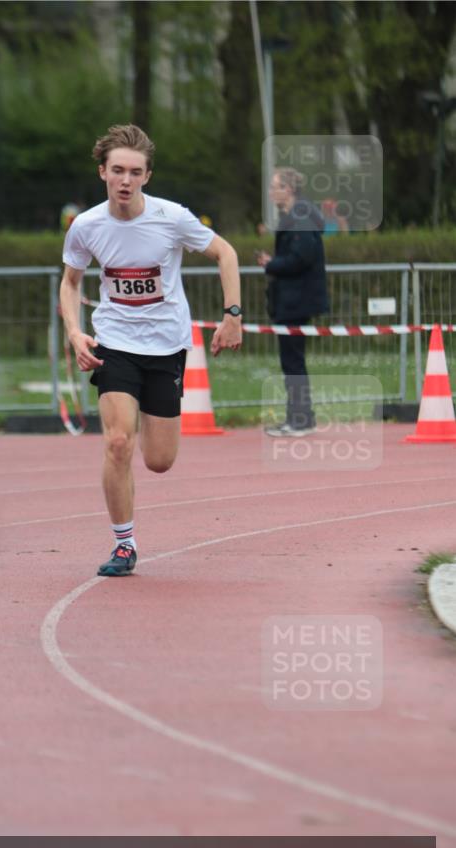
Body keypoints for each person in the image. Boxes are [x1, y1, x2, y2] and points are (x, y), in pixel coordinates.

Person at [60, 123, 242, 577]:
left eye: (135, 172)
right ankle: (124, 544)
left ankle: (147, 436)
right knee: (118, 442)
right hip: (115, 342)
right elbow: (70, 282)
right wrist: (74, 332)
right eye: (117, 170)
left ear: (147, 176)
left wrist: (232, 314)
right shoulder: (86, 226)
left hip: (165, 346)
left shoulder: (171, 218)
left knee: (159, 461)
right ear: (103, 172)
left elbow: (227, 254)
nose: (125, 180)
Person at [255, 167, 329, 437]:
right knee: (292, 361)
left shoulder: (300, 218)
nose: (271, 191)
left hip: (297, 300)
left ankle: (299, 420)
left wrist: (271, 264)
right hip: (290, 299)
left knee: (293, 362)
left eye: (275, 186)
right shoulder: (295, 216)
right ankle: (300, 417)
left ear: (289, 190)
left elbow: (302, 257)